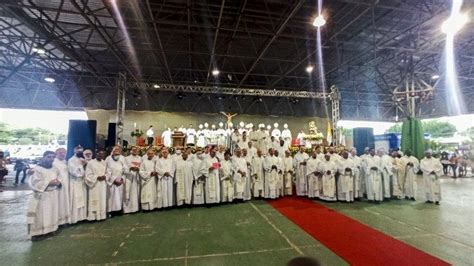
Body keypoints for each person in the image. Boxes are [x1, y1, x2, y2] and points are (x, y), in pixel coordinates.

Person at [26, 151, 61, 238]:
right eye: (49, 157)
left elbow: (59, 178)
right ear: (43, 157)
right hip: (41, 195)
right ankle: (38, 233)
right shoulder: (37, 169)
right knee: (40, 215)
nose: (51, 159)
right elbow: (34, 182)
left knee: (51, 213)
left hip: (53, 194)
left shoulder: (55, 168)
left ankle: (50, 229)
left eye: (53, 157)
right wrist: (49, 183)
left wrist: (58, 183)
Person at [84, 149, 107, 221]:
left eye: (103, 154)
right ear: (96, 154)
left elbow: (108, 172)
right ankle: (93, 216)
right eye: (100, 154)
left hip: (103, 184)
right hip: (95, 184)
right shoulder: (91, 163)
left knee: (102, 199)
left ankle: (102, 216)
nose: (101, 155)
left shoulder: (104, 162)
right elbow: (88, 174)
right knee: (94, 199)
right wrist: (97, 177)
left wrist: (105, 176)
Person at [67, 145, 87, 223]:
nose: (80, 152)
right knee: (75, 201)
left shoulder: (82, 159)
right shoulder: (71, 160)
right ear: (74, 151)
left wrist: (85, 164)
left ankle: (82, 217)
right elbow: (73, 171)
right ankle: (75, 218)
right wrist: (81, 166)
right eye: (78, 151)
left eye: (81, 151)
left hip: (82, 183)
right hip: (75, 182)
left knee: (83, 200)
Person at [105, 146, 126, 214]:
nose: (117, 150)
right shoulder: (108, 159)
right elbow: (106, 170)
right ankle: (111, 211)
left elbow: (125, 169)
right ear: (112, 150)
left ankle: (119, 210)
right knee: (111, 196)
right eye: (115, 149)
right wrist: (113, 180)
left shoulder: (123, 158)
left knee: (119, 196)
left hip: (120, 180)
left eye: (118, 149)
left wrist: (122, 179)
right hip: (112, 180)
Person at [53, 148, 70, 225]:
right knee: (58, 203)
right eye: (60, 153)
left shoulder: (65, 162)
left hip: (66, 186)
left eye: (64, 153)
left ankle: (64, 220)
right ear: (56, 153)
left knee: (64, 202)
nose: (63, 154)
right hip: (57, 187)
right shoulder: (53, 162)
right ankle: (57, 221)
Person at [123, 146, 141, 214]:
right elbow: (124, 167)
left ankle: (135, 208)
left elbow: (142, 166)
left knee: (136, 193)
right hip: (129, 177)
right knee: (128, 192)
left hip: (137, 177)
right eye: (133, 150)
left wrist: (138, 169)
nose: (135, 151)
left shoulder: (140, 158)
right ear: (131, 151)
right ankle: (127, 209)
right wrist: (130, 169)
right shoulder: (126, 158)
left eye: (136, 150)